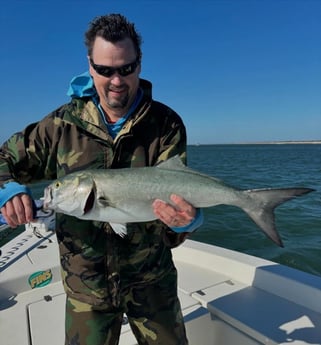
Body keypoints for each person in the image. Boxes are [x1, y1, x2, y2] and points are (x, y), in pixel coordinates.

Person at [0, 13, 203, 345]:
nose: (116, 80)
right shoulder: (59, 126)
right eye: (105, 70)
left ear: (139, 64)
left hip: (152, 283)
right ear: (90, 65)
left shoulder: (166, 124)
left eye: (126, 69)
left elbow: (174, 197)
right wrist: (7, 190)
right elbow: (3, 159)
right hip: (86, 290)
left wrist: (183, 224)